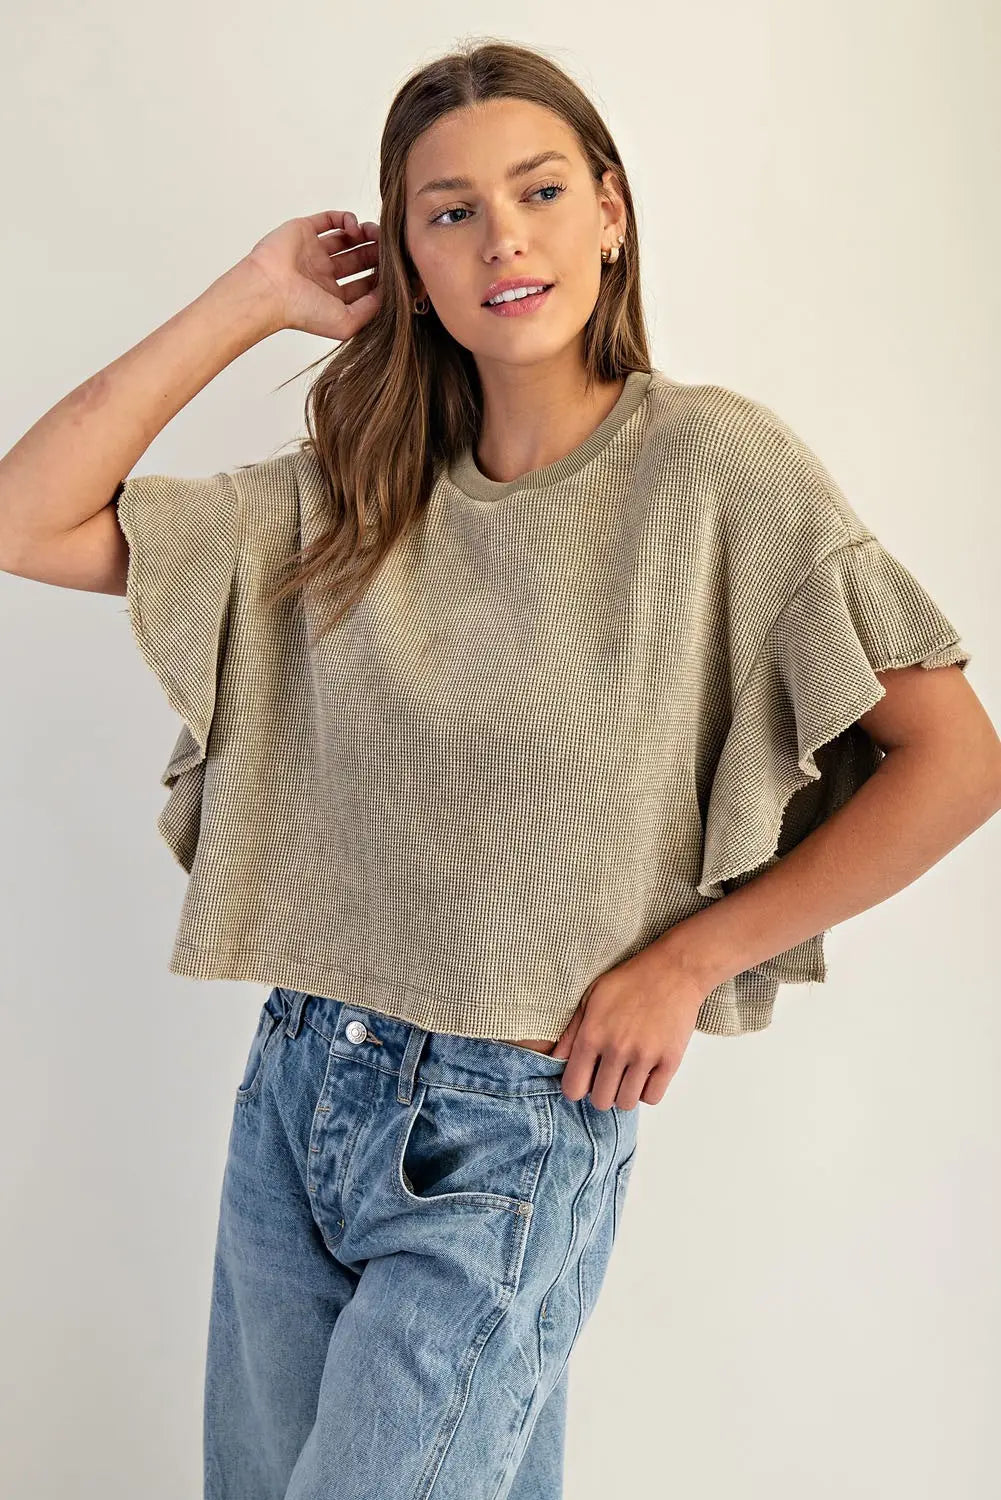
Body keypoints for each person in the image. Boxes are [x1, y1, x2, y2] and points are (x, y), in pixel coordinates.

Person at [2, 38, 998, 1500]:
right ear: (406, 258)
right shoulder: (357, 492)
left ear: (611, 211)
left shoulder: (716, 469)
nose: (503, 239)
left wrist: (687, 962)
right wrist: (256, 295)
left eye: (538, 192)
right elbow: (25, 519)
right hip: (301, 1088)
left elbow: (955, 760)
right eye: (449, 211)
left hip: (512, 1125)